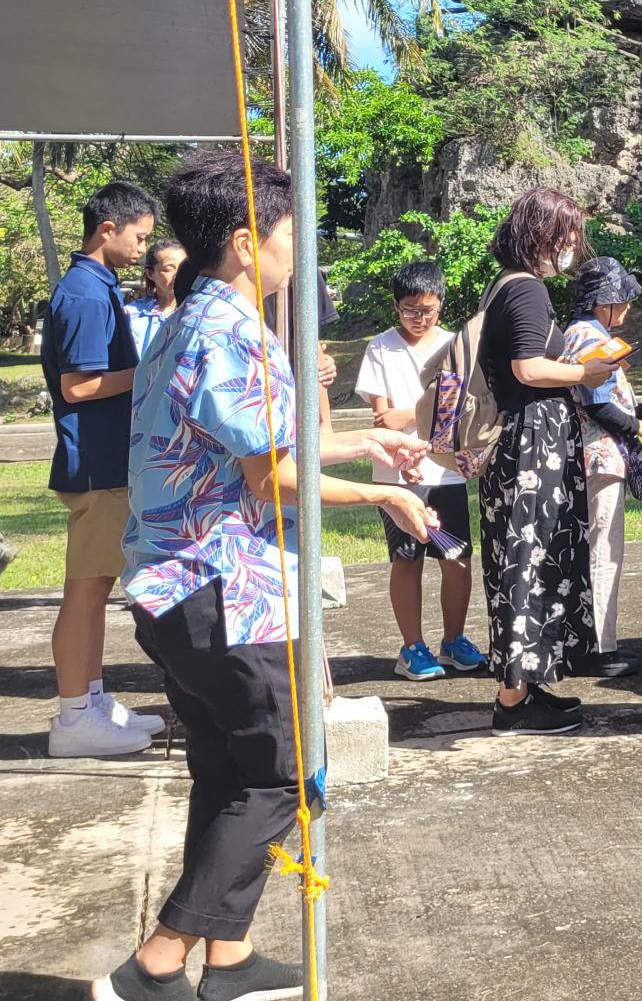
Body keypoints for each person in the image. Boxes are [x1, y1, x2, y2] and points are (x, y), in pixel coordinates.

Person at [100, 150, 438, 1001]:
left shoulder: (186, 317)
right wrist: (381, 493)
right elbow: (273, 478)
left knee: (228, 772)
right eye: (293, 234)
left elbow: (254, 449)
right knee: (283, 771)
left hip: (177, 586)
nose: (300, 250)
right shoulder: (234, 331)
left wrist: (362, 441)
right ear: (249, 243)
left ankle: (230, 957)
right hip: (221, 587)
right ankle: (156, 962)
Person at [477, 188, 621, 736]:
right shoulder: (528, 291)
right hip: (532, 449)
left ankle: (528, 683)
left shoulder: (506, 286)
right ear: (542, 235)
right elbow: (528, 369)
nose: (572, 247)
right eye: (566, 236)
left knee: (529, 561)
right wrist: (583, 374)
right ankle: (512, 702)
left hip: (523, 446)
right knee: (529, 562)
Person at [42, 179, 166, 758]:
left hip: (105, 460)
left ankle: (89, 700)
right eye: (139, 236)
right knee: (86, 593)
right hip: (95, 464)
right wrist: (150, 372)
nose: (144, 247)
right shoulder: (88, 295)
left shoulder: (97, 287)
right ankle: (73, 716)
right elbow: (80, 384)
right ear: (107, 229)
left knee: (93, 589)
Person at [352, 260, 486, 683]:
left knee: (457, 557)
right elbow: (383, 419)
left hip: (445, 471)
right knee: (406, 558)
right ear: (396, 306)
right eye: (410, 310)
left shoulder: (453, 345)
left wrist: (412, 412)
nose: (419, 318)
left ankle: (455, 638)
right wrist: (416, 423)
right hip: (397, 474)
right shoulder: (381, 347)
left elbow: (461, 408)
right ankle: (412, 646)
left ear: (441, 305)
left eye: (427, 309)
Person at [559, 257, 642, 682]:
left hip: (595, 454)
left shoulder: (582, 333)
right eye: (622, 298)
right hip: (600, 456)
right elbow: (596, 403)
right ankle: (598, 647)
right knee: (603, 551)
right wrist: (641, 425)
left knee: (594, 548)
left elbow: (605, 398)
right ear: (603, 302)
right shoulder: (589, 336)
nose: (627, 306)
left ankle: (589, 641)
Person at [125, 238, 186, 364]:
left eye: (183, 267)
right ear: (150, 274)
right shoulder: (130, 315)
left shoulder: (197, 313)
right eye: (169, 268)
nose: (178, 274)